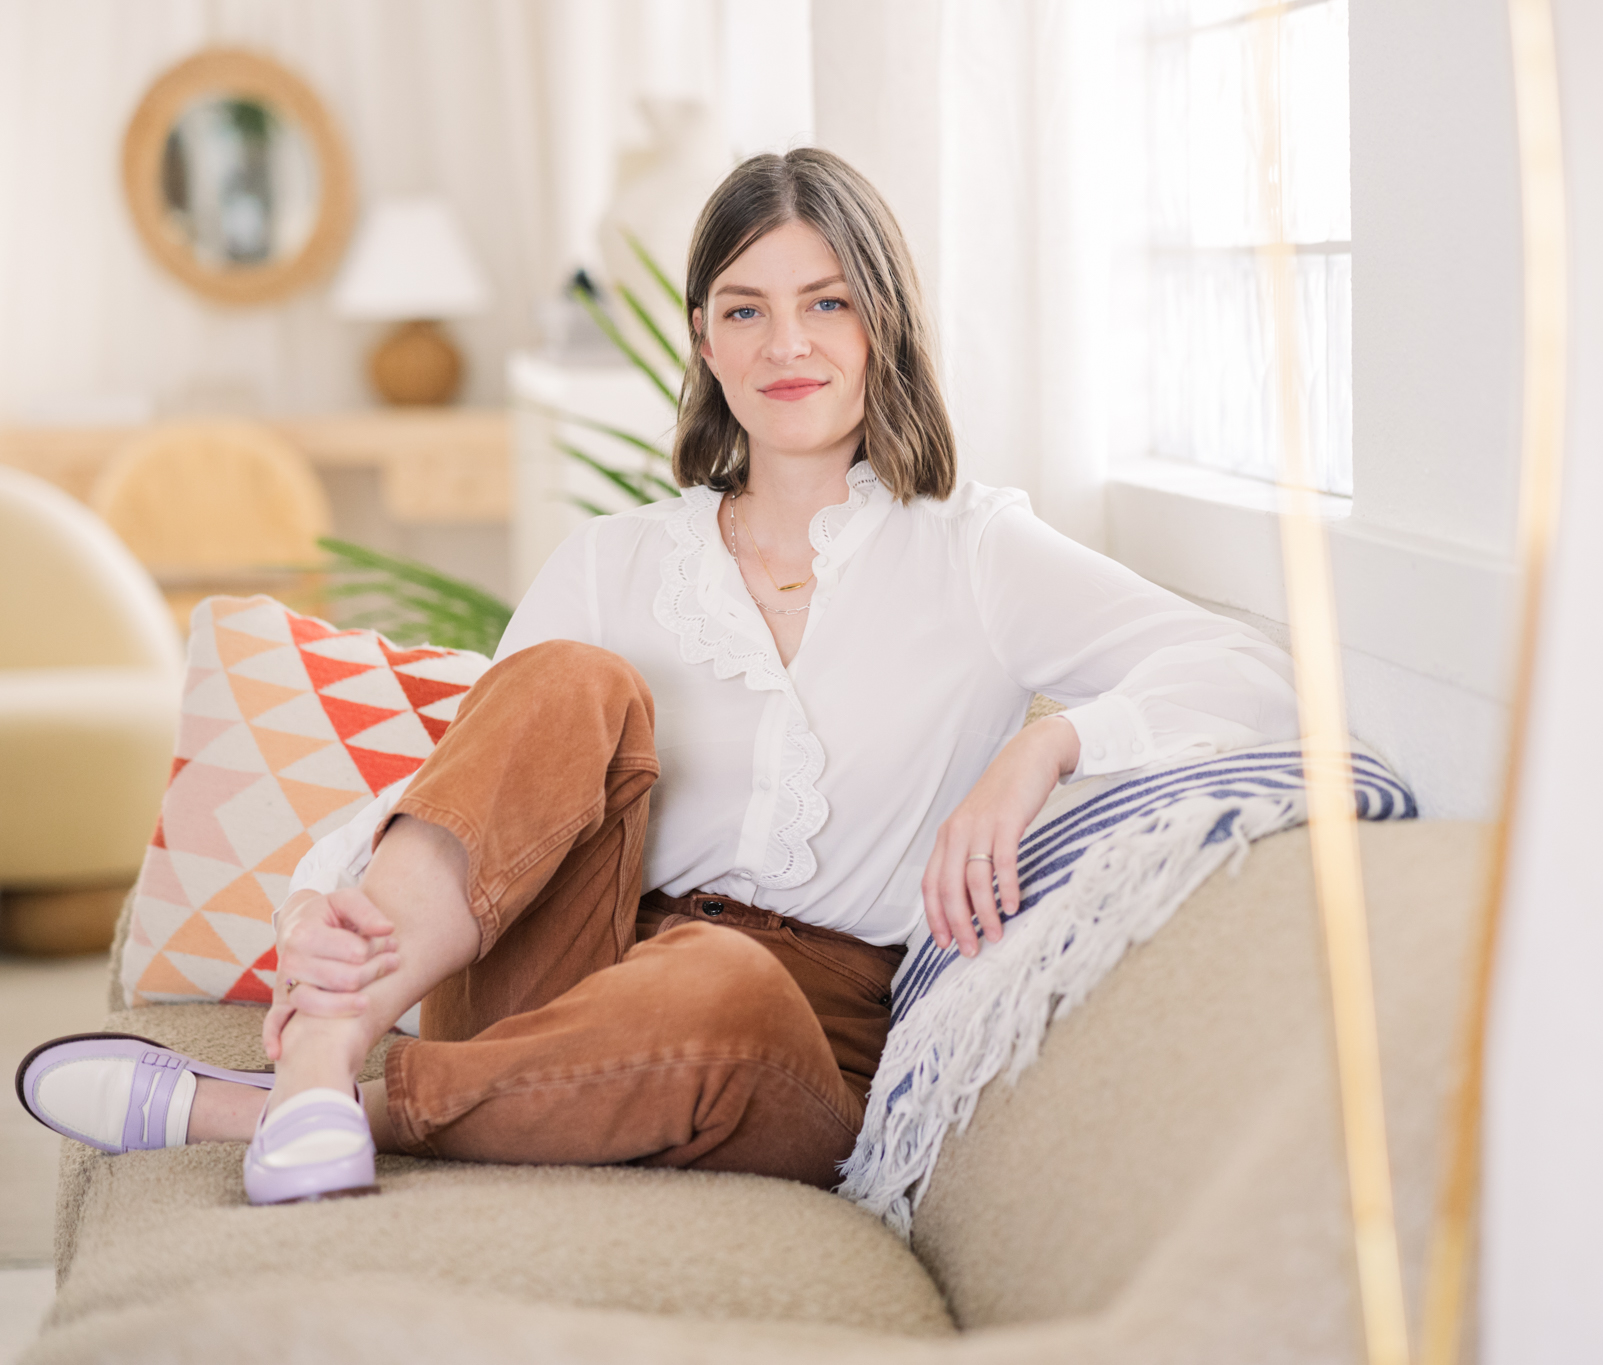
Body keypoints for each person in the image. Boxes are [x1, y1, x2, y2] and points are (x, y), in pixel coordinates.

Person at [17, 149, 1297, 1203]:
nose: (785, 343)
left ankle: (259, 1111)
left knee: (720, 980)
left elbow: (1250, 674)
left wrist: (1047, 746)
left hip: (788, 1034)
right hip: (561, 960)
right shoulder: (619, 559)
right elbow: (471, 780)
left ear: (882, 322)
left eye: (828, 302)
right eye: (745, 308)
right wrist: (326, 903)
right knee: (572, 677)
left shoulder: (973, 550)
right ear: (703, 336)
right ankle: (324, 1055)